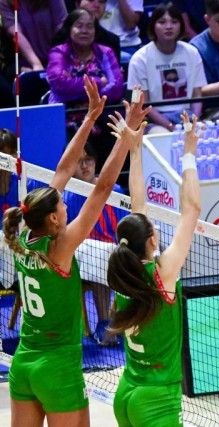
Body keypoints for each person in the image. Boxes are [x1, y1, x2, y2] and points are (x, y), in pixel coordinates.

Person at [3, 75, 148, 427]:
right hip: (58, 367)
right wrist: (126, 137)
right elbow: (103, 188)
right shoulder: (61, 246)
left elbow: (64, 169)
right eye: (63, 206)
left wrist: (90, 117)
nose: (68, 205)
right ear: (53, 218)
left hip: (24, 363)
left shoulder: (23, 233)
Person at [107, 111, 201, 427]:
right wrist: (189, 153)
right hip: (156, 400)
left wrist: (136, 150)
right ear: (151, 241)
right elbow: (192, 209)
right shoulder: (163, 272)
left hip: (127, 392)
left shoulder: (122, 271)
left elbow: (138, 207)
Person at [63, 142, 127, 345]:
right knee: (99, 257)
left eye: (88, 160)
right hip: (83, 259)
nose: (85, 166)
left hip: (115, 253)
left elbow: (125, 227)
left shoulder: (115, 190)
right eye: (79, 162)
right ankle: (104, 324)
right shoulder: (68, 198)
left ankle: (128, 320)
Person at [47, 7, 124, 169]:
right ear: (69, 28)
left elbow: (116, 88)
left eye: (90, 26)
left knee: (118, 137)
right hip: (67, 115)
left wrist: (79, 90)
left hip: (100, 112)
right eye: (79, 25)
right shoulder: (58, 52)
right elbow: (59, 83)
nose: (84, 31)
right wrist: (99, 82)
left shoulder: (105, 52)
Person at [128, 2, 206, 134]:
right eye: (162, 22)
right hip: (154, 119)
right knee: (162, 136)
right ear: (153, 26)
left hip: (187, 115)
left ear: (181, 25)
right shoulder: (140, 59)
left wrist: (194, 122)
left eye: (174, 22)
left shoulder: (192, 52)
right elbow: (143, 104)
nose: (169, 27)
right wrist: (170, 126)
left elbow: (197, 95)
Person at [0, 0, 68, 71]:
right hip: (25, 59)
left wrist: (58, 58)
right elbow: (17, 34)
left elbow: (62, 27)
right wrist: (36, 64)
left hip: (56, 53)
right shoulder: (5, 2)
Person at [52, 0, 122, 62]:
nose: (97, 5)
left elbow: (114, 72)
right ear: (77, 3)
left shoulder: (112, 41)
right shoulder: (61, 37)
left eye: (101, 1)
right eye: (91, 0)